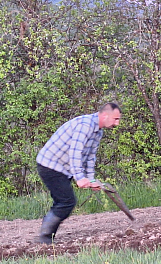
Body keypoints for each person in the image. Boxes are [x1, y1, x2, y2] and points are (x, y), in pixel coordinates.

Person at [35, 102, 122, 244]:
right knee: (66, 201)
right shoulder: (85, 125)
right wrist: (80, 178)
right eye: (115, 119)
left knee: (62, 201)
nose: (117, 124)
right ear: (105, 115)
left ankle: (46, 236)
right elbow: (75, 152)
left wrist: (91, 179)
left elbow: (90, 157)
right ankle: (44, 239)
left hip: (62, 168)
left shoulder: (98, 131)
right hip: (50, 164)